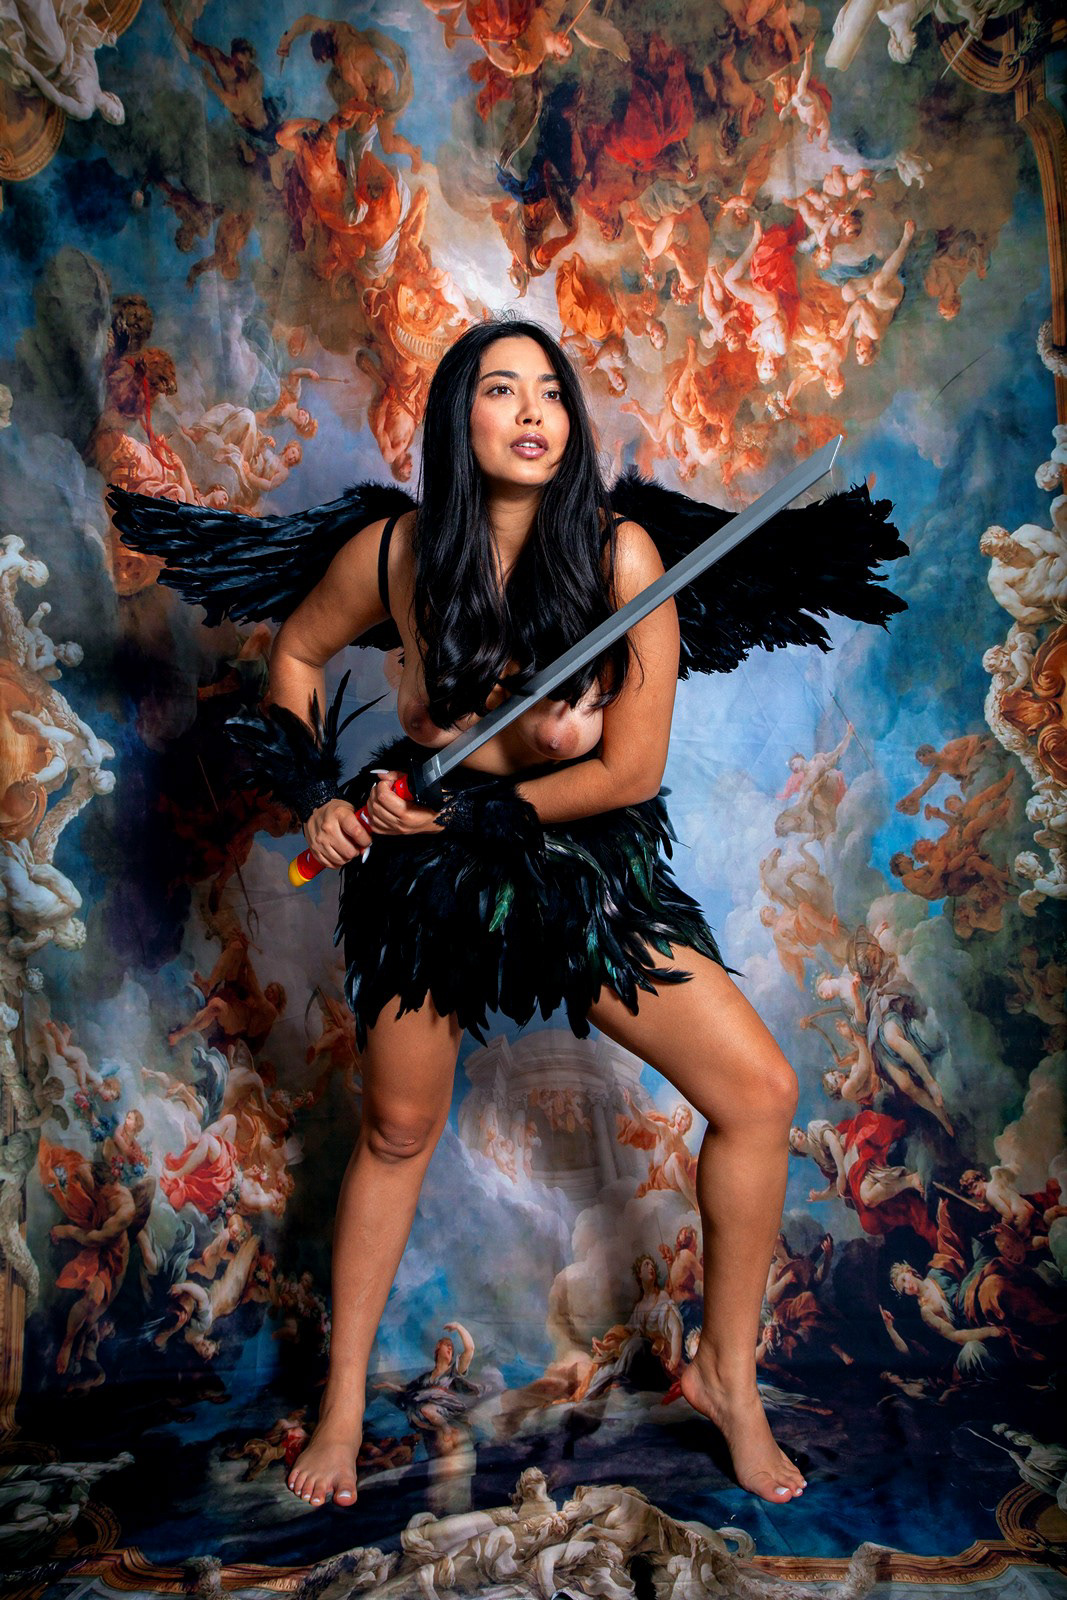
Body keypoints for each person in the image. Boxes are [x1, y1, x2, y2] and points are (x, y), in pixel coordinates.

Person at [108, 317, 905, 1512]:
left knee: (756, 1093)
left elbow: (626, 772)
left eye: (550, 391)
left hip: (572, 857)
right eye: (499, 389)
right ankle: (338, 1402)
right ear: (458, 418)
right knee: (395, 1127)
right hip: (424, 870)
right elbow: (298, 655)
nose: (532, 410)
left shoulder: (621, 555)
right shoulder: (396, 551)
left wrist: (479, 811)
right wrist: (319, 794)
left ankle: (728, 1379)